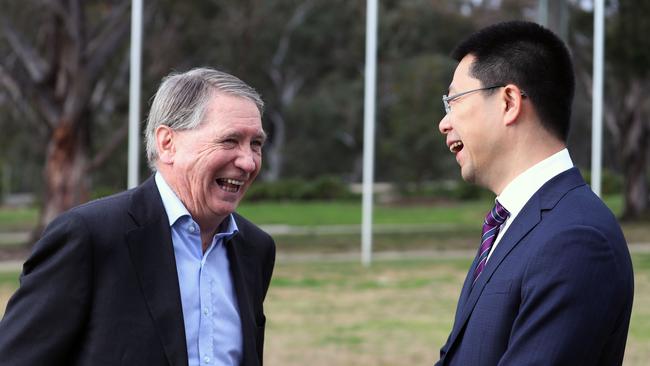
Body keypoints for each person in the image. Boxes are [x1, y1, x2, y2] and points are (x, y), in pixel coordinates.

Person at [0, 67, 276, 366]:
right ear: (167, 143)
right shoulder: (89, 237)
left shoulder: (256, 249)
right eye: (230, 141)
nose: (248, 162)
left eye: (256, 144)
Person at [435, 21, 633, 365]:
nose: (444, 122)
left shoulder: (577, 239)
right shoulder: (513, 222)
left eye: (454, 101)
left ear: (509, 101)